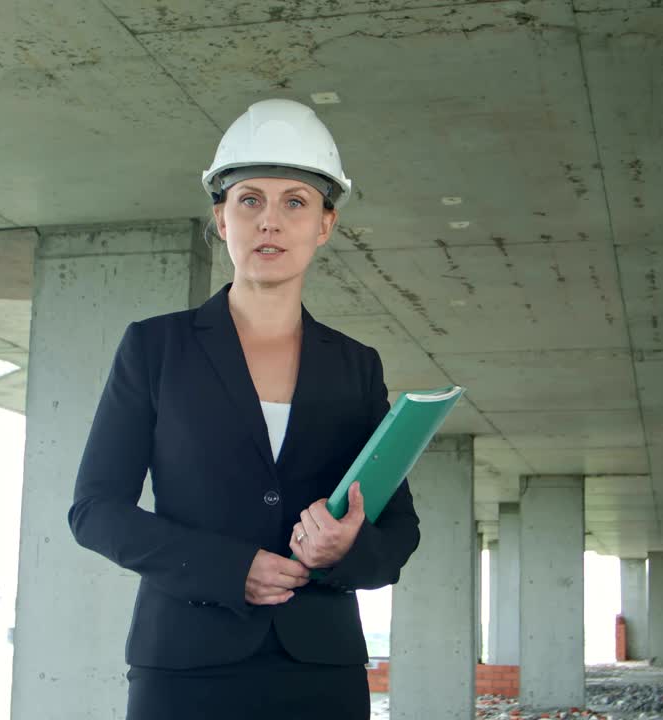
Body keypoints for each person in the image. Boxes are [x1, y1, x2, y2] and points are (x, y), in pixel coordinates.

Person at [68, 98, 422, 719]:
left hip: (321, 674)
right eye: (250, 200)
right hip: (185, 670)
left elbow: (399, 530)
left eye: (295, 202)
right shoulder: (155, 348)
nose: (270, 222)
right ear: (221, 217)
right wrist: (229, 569)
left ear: (324, 225)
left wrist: (345, 551)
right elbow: (95, 510)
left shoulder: (356, 365)